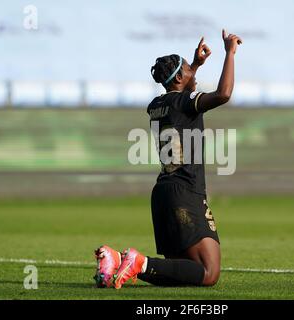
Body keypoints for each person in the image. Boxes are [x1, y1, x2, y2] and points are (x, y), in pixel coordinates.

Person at [94, 29, 242, 289]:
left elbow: (180, 88)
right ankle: (139, 262)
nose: (193, 73)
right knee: (209, 273)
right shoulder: (184, 102)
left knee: (180, 274)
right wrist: (229, 51)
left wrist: (193, 65)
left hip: (163, 194)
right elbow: (224, 93)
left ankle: (118, 261)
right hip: (186, 192)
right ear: (180, 78)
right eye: (188, 69)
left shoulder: (156, 105)